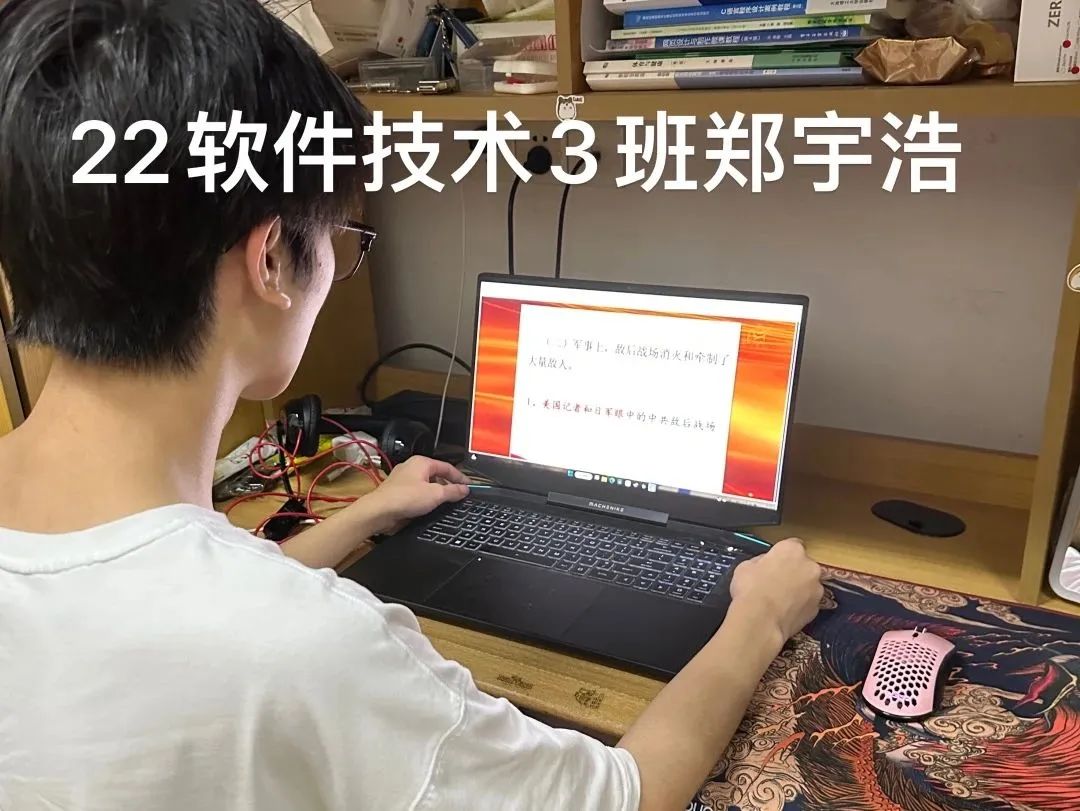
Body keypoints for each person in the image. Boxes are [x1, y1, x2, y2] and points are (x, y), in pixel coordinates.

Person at [0, 1, 826, 809]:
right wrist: (758, 615)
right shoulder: (318, 649)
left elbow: (171, 605)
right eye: (340, 237)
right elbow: (626, 793)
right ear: (271, 261)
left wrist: (365, 514)